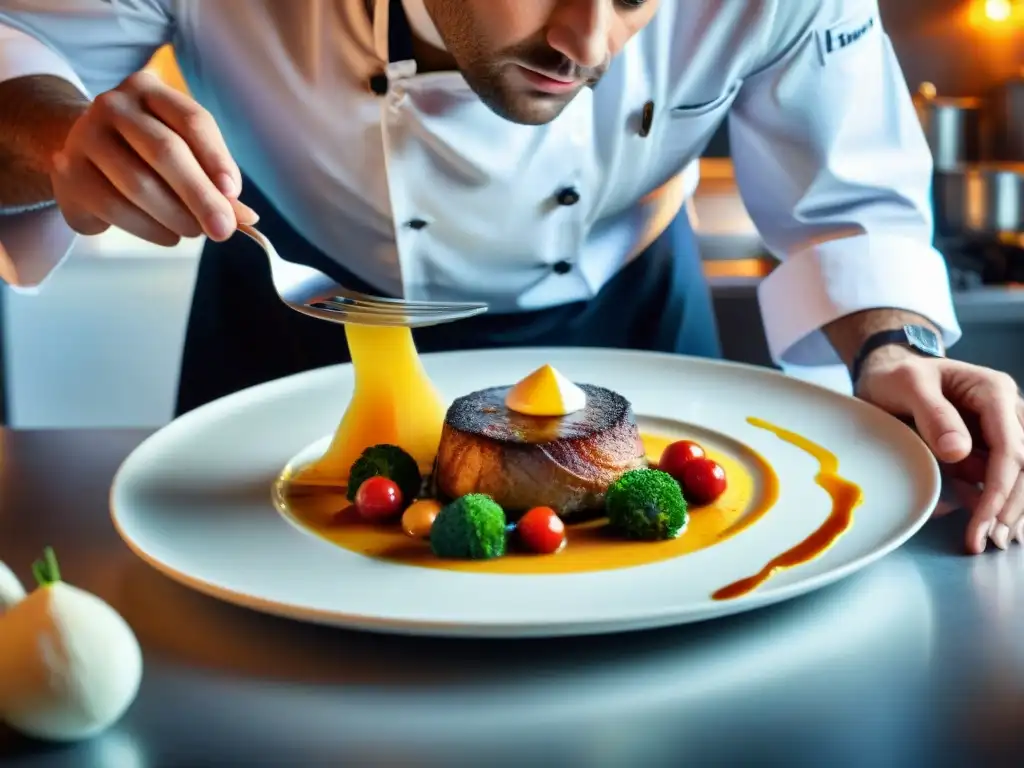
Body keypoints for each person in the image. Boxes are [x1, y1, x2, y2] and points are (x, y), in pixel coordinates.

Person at [0, 0, 1020, 555]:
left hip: (631, 322)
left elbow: (843, 198)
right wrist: (58, 141)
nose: (586, 45)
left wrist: (893, 351)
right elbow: (24, 46)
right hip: (307, 318)